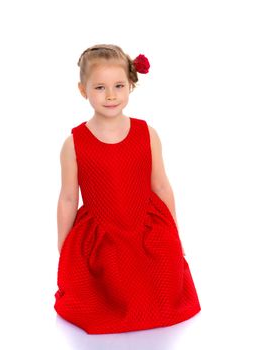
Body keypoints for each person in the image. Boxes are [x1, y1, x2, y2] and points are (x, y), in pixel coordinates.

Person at [54, 44, 201, 334]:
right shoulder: (74, 143)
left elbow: (161, 185)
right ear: (83, 90)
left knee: (163, 285)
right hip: (103, 237)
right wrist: (64, 248)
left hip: (146, 232)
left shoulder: (147, 133)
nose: (110, 95)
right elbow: (68, 198)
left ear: (130, 86)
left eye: (119, 86)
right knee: (98, 294)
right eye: (100, 87)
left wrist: (174, 233)